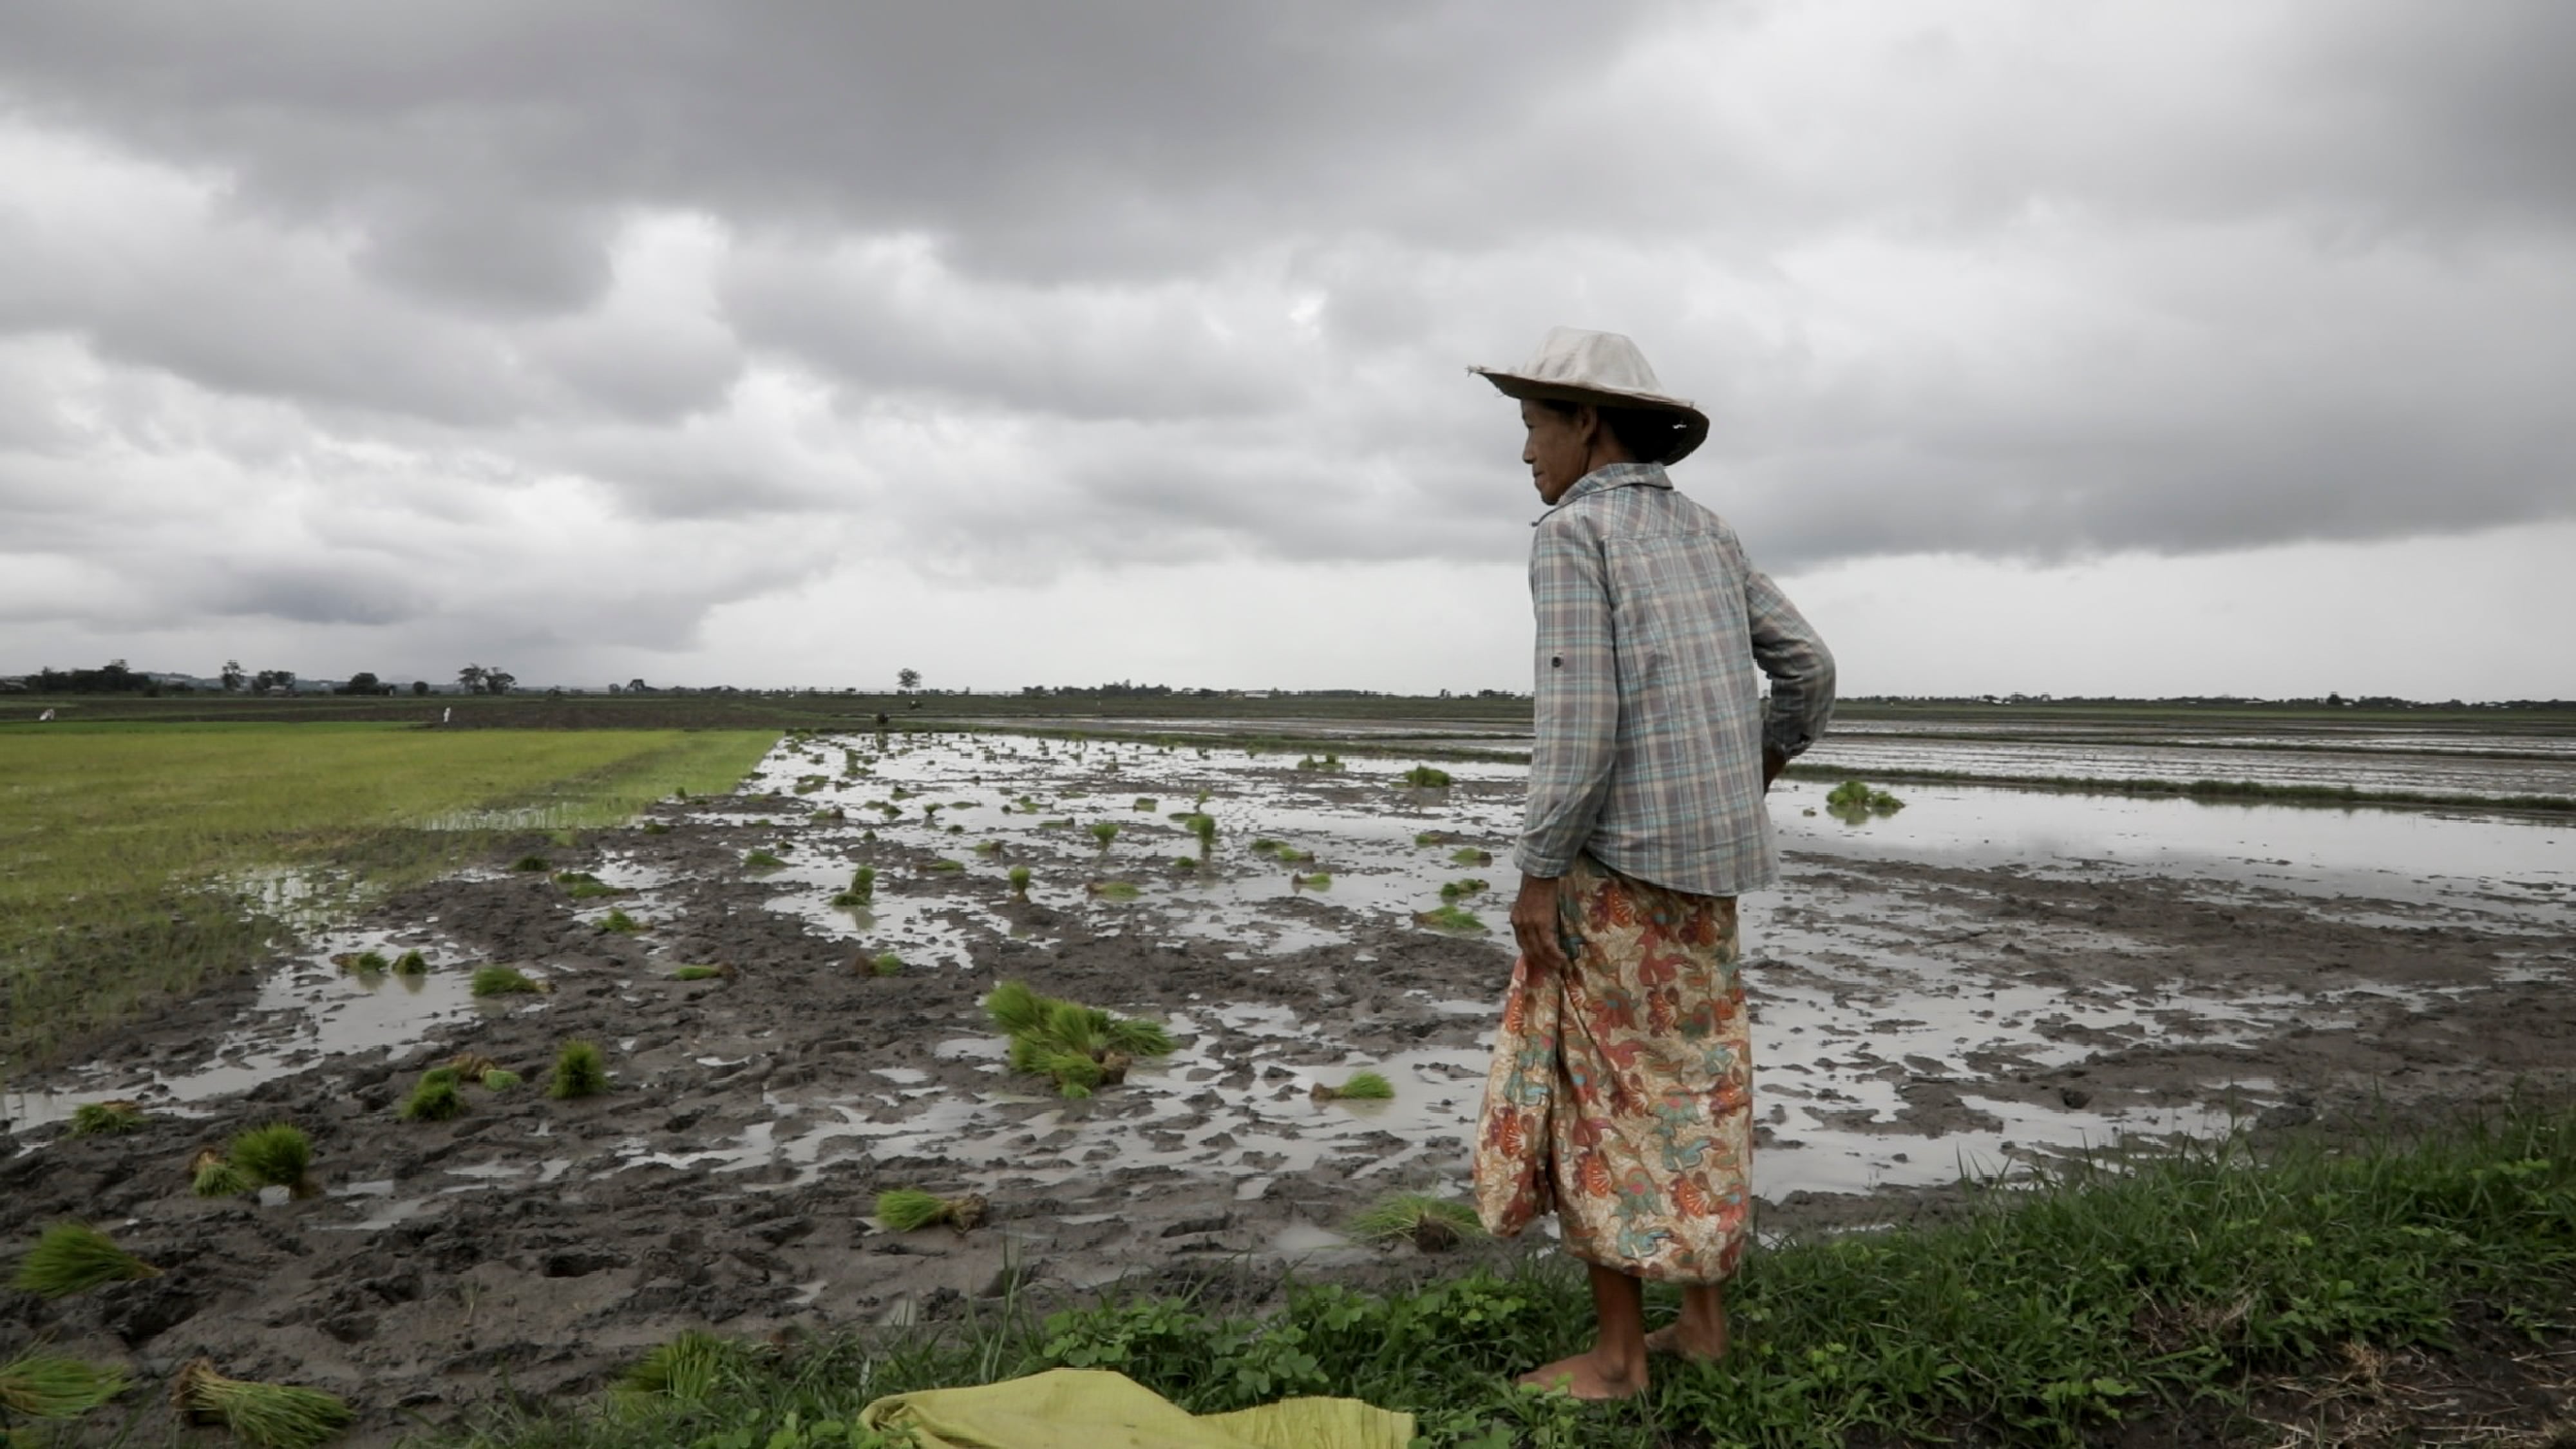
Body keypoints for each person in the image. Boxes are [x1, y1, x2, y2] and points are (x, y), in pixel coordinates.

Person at [1466, 327, 1835, 1399]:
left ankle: (1622, 1358)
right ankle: (1704, 1324)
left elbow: (1578, 728)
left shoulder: (1573, 534)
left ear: (1587, 423)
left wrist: (1540, 869)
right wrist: (1759, 759)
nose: (1526, 450)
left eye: (1535, 424)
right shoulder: (1710, 532)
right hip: (1707, 873)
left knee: (1603, 1098)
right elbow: (1807, 663)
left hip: (1616, 872)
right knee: (1697, 1085)